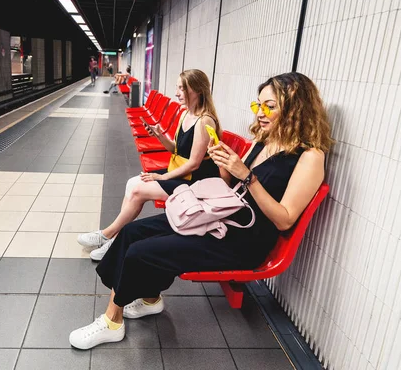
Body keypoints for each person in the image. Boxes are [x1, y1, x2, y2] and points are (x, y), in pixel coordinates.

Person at [69, 72, 334, 350]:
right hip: (221, 219)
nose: (261, 113)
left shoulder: (310, 157)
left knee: (141, 251)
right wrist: (223, 162)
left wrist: (247, 176)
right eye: (258, 105)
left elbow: (284, 220)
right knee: (134, 231)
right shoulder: (264, 141)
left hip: (244, 241)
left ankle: (112, 321)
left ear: (296, 107)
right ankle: (149, 299)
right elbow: (230, 184)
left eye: (270, 106)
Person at [78, 69, 222, 260]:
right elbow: (176, 150)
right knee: (132, 183)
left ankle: (108, 235)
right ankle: (116, 238)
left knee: (138, 191)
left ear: (196, 90)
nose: (177, 93)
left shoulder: (205, 121)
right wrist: (160, 135)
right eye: (177, 87)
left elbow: (194, 164)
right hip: (179, 172)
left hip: (195, 182)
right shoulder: (186, 114)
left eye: (182, 88)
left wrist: (161, 177)